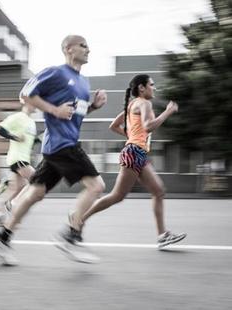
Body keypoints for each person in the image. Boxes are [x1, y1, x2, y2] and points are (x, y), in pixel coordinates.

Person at [0, 34, 107, 265]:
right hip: (63, 145)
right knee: (97, 186)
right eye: (83, 45)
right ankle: (70, 235)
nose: (88, 49)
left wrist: (93, 106)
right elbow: (25, 94)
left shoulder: (83, 83)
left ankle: (3, 236)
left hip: (58, 146)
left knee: (35, 193)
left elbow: (75, 115)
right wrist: (54, 110)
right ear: (69, 49)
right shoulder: (57, 72)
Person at [78, 74, 187, 249]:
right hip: (134, 153)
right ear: (142, 88)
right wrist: (167, 112)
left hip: (138, 153)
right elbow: (148, 126)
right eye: (152, 84)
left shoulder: (131, 105)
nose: (155, 88)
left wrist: (131, 136)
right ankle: (79, 221)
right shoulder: (144, 103)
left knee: (158, 191)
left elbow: (113, 126)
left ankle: (162, 235)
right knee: (117, 196)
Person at [0, 101, 37, 224]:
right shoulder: (18, 117)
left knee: (14, 189)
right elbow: (0, 129)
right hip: (18, 158)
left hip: (24, 158)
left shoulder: (32, 122)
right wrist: (15, 137)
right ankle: (14, 204)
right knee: (37, 179)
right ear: (27, 102)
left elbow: (29, 141)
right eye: (35, 101)